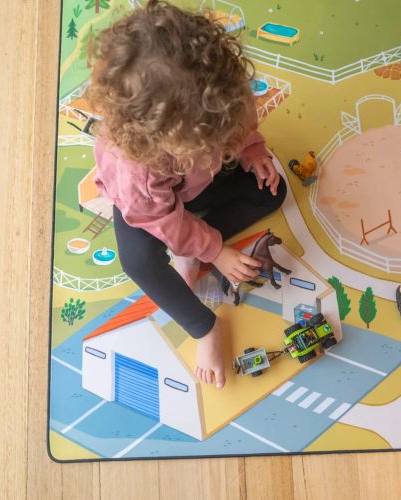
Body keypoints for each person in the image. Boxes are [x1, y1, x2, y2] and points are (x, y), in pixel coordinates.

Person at [86, 1, 286, 390]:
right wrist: (215, 251)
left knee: (271, 191)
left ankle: (191, 246)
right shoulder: (133, 169)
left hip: (200, 177)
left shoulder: (219, 92)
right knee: (140, 261)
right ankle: (203, 327)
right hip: (154, 211)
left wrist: (252, 150)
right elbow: (163, 219)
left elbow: (240, 123)